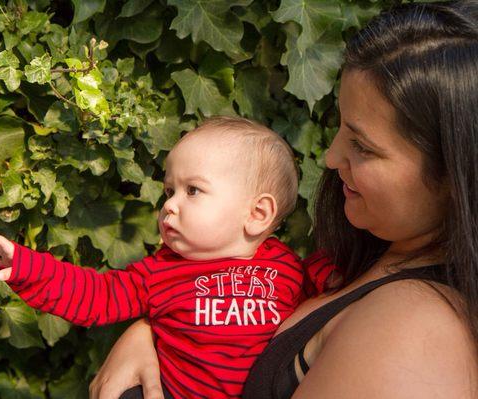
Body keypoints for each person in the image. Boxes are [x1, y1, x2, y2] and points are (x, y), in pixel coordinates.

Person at [89, 1, 478, 398]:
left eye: (363, 146)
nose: (330, 158)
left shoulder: (414, 332)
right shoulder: (368, 257)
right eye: (340, 125)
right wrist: (149, 331)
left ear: (455, 173)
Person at [0, 117, 337, 398]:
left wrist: (340, 265)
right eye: (169, 190)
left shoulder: (289, 269)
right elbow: (96, 294)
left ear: (257, 214)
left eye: (192, 190)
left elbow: (335, 293)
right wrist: (27, 267)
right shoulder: (159, 273)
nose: (169, 205)